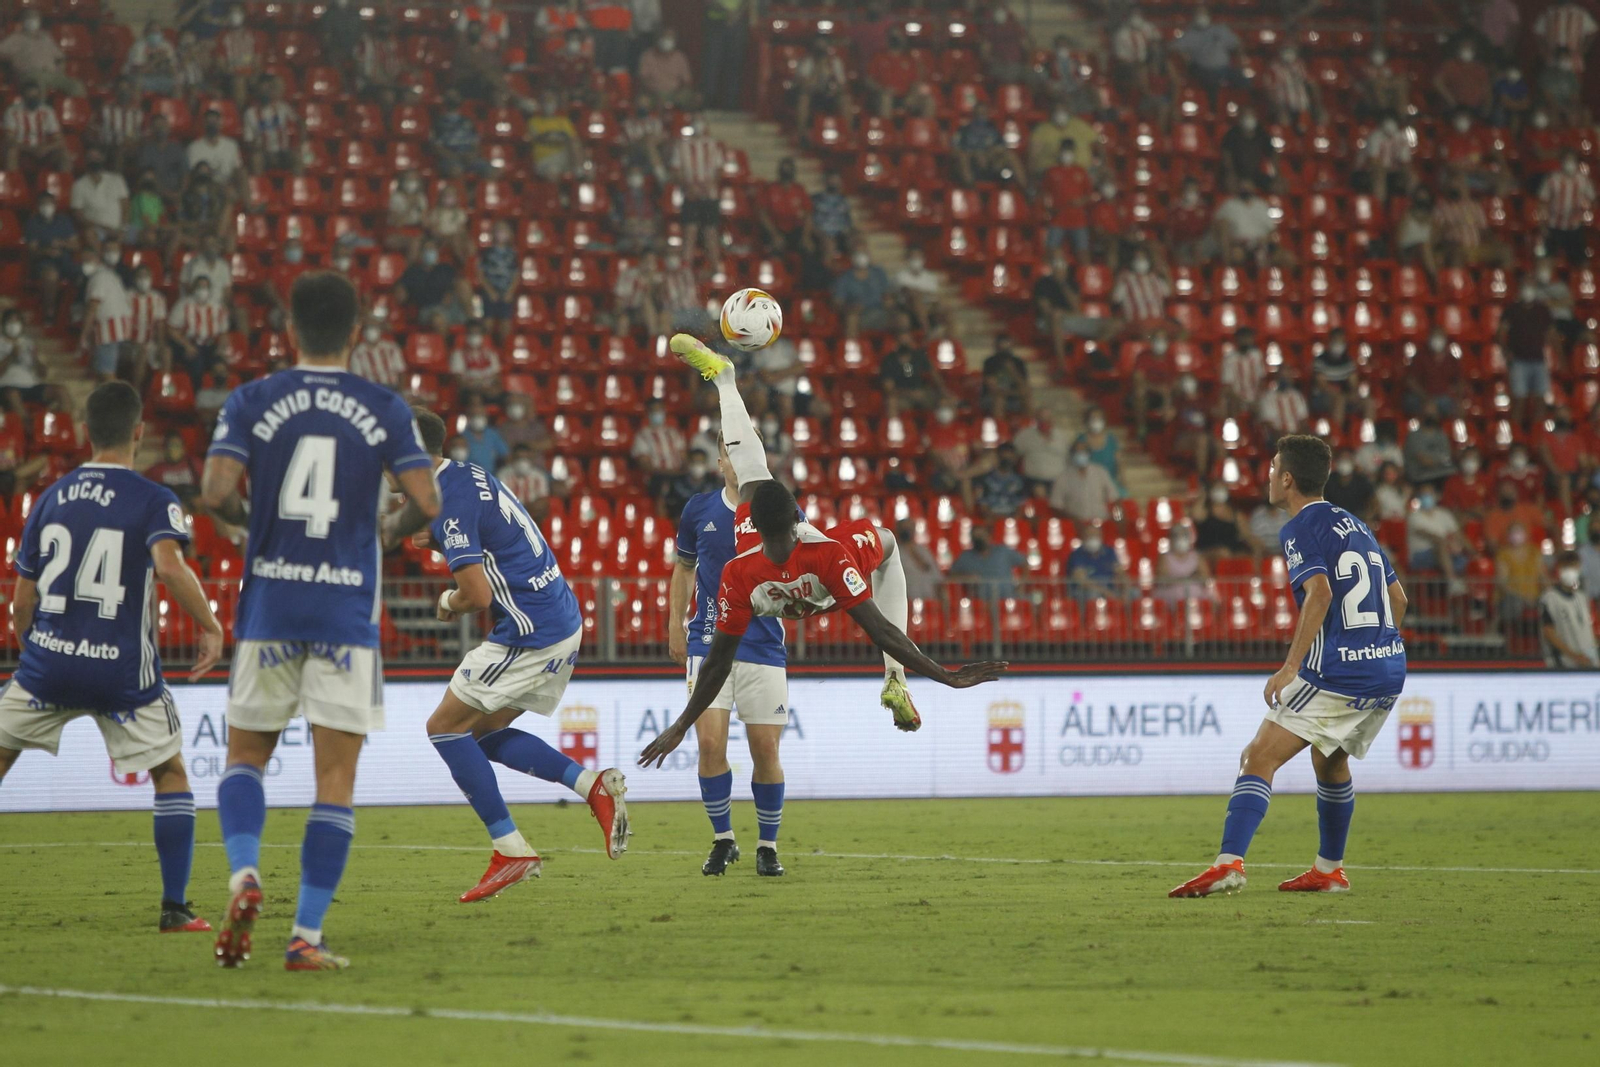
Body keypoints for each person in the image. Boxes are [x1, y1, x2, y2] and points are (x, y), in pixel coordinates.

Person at [199, 272, 442, 971]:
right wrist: (388, 529)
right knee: (334, 778)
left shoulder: (253, 398)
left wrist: (252, 519)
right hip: (344, 610)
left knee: (246, 757)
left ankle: (244, 874)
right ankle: (304, 934)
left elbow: (215, 490)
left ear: (289, 329)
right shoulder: (385, 406)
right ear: (357, 330)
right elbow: (426, 499)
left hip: (271, 601)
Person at [639, 335, 1008, 774]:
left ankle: (725, 379)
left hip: (790, 576)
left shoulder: (768, 565)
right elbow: (881, 632)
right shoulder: (815, 562)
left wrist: (681, 724)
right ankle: (895, 678)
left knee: (766, 471)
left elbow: (719, 660)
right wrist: (943, 674)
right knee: (884, 544)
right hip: (811, 578)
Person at [0, 382, 223, 933]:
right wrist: (210, 625)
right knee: (169, 774)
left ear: (84, 433)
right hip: (123, 670)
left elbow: (21, 601)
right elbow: (170, 568)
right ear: (139, 433)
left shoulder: (50, 496)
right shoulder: (154, 499)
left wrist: (35, 652)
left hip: (48, 663)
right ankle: (174, 908)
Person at [404, 407, 628, 898]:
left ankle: (511, 849)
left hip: (531, 629)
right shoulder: (466, 473)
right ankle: (591, 785)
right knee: (479, 734)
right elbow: (489, 535)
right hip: (561, 617)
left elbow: (477, 597)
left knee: (442, 728)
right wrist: (440, 539)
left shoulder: (447, 502)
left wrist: (446, 601)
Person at [1170, 435, 1408, 898]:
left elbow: (1319, 593)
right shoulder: (1356, 524)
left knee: (1257, 756)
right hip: (1388, 666)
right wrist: (1378, 647)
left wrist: (1290, 667)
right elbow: (1398, 598)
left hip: (1338, 671)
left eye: (1273, 466)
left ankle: (1228, 864)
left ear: (1287, 479)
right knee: (1330, 758)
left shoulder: (1299, 527)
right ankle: (1329, 869)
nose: (1269, 476)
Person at [669, 429, 800, 876]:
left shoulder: (778, 507)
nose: (736, 460)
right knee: (709, 744)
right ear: (720, 462)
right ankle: (723, 839)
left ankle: (767, 846)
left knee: (765, 750)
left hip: (763, 643)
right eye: (729, 453)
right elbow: (684, 567)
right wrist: (675, 622)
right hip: (708, 642)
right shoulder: (699, 509)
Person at [1543, 552, 1598, 668]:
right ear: (1559, 569)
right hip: (1563, 664)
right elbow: (1549, 632)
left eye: (1575, 566)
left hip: (1589, 660)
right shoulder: (1550, 598)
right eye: (1567, 567)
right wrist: (1574, 656)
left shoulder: (1582, 598)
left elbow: (1589, 629)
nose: (1571, 571)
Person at [1539, 153, 1595, 266]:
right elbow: (1543, 200)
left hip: (1574, 226)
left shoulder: (1583, 180)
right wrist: (1543, 223)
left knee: (1579, 261)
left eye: (1572, 160)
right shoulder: (1553, 179)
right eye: (1567, 160)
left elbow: (1592, 198)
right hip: (1554, 225)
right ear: (1562, 162)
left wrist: (1583, 210)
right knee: (1549, 259)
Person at [950, 524, 1028, 601]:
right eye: (976, 537)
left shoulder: (1002, 551)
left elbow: (1024, 562)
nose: (979, 539)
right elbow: (951, 575)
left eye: (981, 536)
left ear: (988, 536)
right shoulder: (966, 557)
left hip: (1007, 599)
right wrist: (967, 577)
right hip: (980, 603)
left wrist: (1021, 586)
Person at [3, 80, 68, 174]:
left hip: (43, 149)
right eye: (30, 96)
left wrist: (46, 148)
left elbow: (58, 139)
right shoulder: (12, 111)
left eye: (36, 96)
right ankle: (15, 185)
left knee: (63, 153)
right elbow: (9, 139)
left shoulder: (48, 111)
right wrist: (30, 149)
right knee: (11, 152)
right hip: (22, 149)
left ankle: (63, 186)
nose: (33, 99)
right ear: (23, 97)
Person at [1049, 441, 1119, 522]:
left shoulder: (1101, 472)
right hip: (1076, 524)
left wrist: (1116, 516)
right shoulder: (1063, 477)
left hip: (1101, 521)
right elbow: (1056, 505)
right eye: (1077, 452)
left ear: (1089, 454)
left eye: (1083, 452)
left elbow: (1114, 497)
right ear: (1072, 455)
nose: (1080, 455)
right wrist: (1073, 520)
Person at [1065, 522, 1127, 601]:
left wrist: (1125, 589)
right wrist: (1105, 591)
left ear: (1101, 537)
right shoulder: (1077, 555)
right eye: (1090, 536)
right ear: (1083, 537)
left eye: (1095, 536)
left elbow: (1120, 572)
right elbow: (1081, 580)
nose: (1093, 538)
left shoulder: (1109, 552)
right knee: (1093, 594)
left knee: (1134, 592)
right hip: (1086, 591)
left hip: (1110, 590)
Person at [348, 319, 406, 388]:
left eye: (375, 327)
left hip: (392, 387)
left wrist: (400, 391)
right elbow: (357, 378)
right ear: (363, 332)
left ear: (380, 331)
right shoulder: (357, 353)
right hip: (371, 388)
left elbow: (401, 372)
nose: (372, 331)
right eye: (369, 327)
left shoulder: (392, 348)